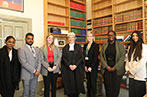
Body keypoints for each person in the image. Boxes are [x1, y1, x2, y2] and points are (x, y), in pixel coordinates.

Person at [100, 30, 126, 97]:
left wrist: (115, 67)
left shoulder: (120, 45)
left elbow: (122, 56)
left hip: (117, 70)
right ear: (107, 36)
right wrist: (106, 66)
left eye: (112, 35)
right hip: (107, 70)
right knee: (108, 88)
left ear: (115, 36)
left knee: (115, 88)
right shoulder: (104, 45)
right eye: (109, 35)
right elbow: (101, 56)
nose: (111, 37)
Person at [61, 32, 85, 97]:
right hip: (68, 70)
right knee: (69, 85)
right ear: (68, 39)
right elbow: (64, 58)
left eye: (72, 37)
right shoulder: (65, 48)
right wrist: (69, 65)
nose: (71, 38)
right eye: (69, 37)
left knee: (77, 85)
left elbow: (81, 57)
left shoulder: (79, 47)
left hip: (77, 69)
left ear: (75, 38)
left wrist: (75, 65)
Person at [18, 33, 41, 97]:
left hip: (36, 74)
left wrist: (38, 70)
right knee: (26, 92)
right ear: (25, 39)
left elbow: (39, 61)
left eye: (32, 39)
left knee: (33, 90)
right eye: (29, 39)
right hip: (27, 74)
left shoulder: (36, 49)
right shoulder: (21, 49)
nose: (30, 40)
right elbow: (23, 63)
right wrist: (34, 71)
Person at [125, 30, 147, 97]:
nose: (134, 37)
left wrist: (132, 71)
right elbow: (127, 60)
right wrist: (127, 69)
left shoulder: (144, 47)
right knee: (132, 94)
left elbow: (142, 62)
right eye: (133, 36)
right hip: (131, 76)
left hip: (139, 76)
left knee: (139, 94)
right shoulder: (130, 47)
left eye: (136, 36)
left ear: (139, 37)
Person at [83, 32, 99, 97]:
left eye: (90, 36)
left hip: (93, 67)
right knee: (88, 82)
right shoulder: (85, 45)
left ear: (93, 37)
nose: (89, 37)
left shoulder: (96, 45)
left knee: (93, 83)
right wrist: (85, 66)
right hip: (86, 66)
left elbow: (95, 57)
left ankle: (93, 95)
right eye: (88, 36)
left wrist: (91, 67)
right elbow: (83, 56)